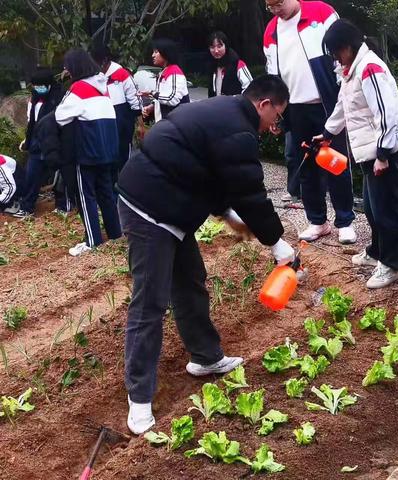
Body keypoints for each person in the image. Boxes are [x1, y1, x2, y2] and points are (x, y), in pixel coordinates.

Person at [116, 75, 295, 435]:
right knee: (149, 303)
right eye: (276, 116)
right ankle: (139, 398)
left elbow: (208, 171)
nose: (274, 125)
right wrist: (277, 244)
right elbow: (250, 192)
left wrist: (228, 215)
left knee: (190, 282)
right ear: (263, 105)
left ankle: (205, 357)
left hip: (170, 205)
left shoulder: (227, 114)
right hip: (149, 207)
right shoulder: (239, 130)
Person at [315, 19, 398, 288]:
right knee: (371, 207)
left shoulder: (369, 68)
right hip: (370, 150)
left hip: (384, 150)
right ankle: (376, 252)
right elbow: (343, 105)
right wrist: (327, 133)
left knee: (386, 211)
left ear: (347, 46)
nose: (336, 58)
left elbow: (386, 113)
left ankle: (391, 265)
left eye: (336, 52)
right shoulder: (351, 70)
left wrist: (382, 153)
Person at [264, 0, 356, 244]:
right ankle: (317, 220)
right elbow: (274, 76)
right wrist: (277, 114)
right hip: (296, 108)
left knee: (336, 162)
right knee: (306, 166)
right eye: (270, 6)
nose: (276, 10)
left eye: (279, 3)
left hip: (326, 104)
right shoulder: (270, 32)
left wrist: (345, 94)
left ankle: (345, 220)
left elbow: (342, 57)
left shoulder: (322, 13)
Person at [56, 48, 122, 257]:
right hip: (107, 151)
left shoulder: (78, 88)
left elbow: (60, 115)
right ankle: (115, 234)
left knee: (86, 196)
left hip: (87, 152)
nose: (66, 70)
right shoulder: (102, 87)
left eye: (67, 66)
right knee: (107, 195)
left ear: (74, 67)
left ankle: (93, 239)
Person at [14, 67, 64, 218]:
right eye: (35, 86)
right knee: (32, 173)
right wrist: (27, 141)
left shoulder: (59, 97)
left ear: (49, 84)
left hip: (54, 140)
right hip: (37, 141)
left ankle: (63, 205)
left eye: (41, 85)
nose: (38, 89)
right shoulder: (34, 98)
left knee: (59, 174)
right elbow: (32, 122)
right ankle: (27, 207)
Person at [90, 45, 141, 174]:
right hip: (103, 121)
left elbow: (135, 100)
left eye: (95, 60)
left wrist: (139, 123)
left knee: (123, 156)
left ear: (105, 60)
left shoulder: (122, 74)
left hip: (122, 121)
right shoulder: (94, 76)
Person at [141, 38, 190, 123]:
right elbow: (163, 97)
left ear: (166, 53)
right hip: (166, 123)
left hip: (176, 124)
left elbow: (171, 99)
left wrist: (151, 93)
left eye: (156, 52)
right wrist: (152, 107)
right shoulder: (163, 72)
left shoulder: (175, 72)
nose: (153, 55)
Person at [207, 31, 253, 97]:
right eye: (212, 47)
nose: (216, 50)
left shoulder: (238, 64)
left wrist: (237, 101)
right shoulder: (212, 65)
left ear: (226, 46)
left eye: (219, 46)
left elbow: (250, 88)